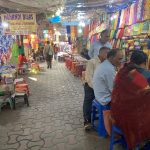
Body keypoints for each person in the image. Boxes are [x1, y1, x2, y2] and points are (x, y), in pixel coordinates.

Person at [111, 50, 150, 149]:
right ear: (145, 62)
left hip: (116, 113)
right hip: (131, 119)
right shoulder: (144, 75)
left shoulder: (122, 70)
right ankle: (144, 142)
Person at [93, 49, 123, 135]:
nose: (121, 61)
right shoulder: (108, 69)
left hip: (100, 94)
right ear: (111, 58)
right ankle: (119, 129)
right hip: (104, 99)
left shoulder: (106, 65)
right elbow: (113, 90)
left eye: (121, 59)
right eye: (119, 59)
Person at [83, 47, 110, 130]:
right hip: (91, 86)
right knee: (88, 100)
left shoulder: (107, 63)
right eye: (107, 53)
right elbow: (89, 78)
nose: (108, 56)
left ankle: (106, 119)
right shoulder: (92, 62)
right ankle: (87, 121)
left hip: (102, 87)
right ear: (101, 53)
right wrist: (97, 89)